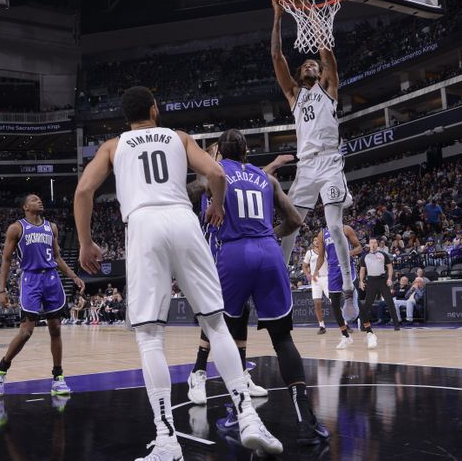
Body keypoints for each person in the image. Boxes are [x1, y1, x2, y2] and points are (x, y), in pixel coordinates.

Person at [74, 87, 282, 460]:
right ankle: (248, 417)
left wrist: (86, 242)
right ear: (155, 110)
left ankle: (167, 439)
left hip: (143, 225)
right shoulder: (178, 137)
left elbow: (84, 191)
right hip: (183, 220)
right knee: (217, 324)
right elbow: (217, 172)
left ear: (125, 117)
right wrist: (216, 207)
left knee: (151, 337)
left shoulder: (112, 146)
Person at [205, 129, 329, 445]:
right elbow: (296, 221)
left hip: (233, 254)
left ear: (222, 153)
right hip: (268, 251)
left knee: (228, 337)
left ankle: (239, 415)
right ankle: (307, 421)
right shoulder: (266, 178)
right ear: (247, 150)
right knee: (282, 338)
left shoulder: (216, 174)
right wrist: (269, 233)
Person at [271, 0, 355, 300]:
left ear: (320, 73)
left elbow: (326, 51)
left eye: (314, 65)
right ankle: (278, 280)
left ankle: (347, 285)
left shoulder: (329, 87)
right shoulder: (294, 95)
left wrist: (311, 15)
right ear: (299, 72)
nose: (310, 65)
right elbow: (276, 55)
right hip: (306, 166)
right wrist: (279, 15)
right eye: (305, 64)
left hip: (331, 162)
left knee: (334, 227)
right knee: (291, 225)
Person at [0, 194, 85, 397]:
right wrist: (2, 289)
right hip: (31, 280)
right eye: (34, 199)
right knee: (26, 332)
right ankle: (0, 370)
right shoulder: (16, 228)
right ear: (25, 206)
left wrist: (74, 276)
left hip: (51, 279)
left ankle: (58, 378)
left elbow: (57, 257)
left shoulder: (52, 227)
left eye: (40, 199)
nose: (39, 201)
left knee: (56, 329)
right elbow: (6, 260)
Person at [314, 224, 363, 349]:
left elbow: (359, 248)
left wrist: (349, 253)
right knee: (334, 304)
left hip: (347, 268)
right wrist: (315, 271)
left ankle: (370, 333)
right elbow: (321, 256)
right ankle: (345, 336)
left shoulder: (346, 229)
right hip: (333, 271)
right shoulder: (322, 233)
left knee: (355, 299)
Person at [358, 237, 397, 349]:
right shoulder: (365, 256)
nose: (373, 244)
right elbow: (362, 270)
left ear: (377, 244)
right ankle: (363, 326)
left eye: (375, 242)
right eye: (372, 242)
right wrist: (361, 281)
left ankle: (396, 326)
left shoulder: (383, 255)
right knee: (367, 305)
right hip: (371, 281)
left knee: (390, 302)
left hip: (382, 280)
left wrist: (389, 278)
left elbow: (390, 267)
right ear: (369, 244)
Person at [303, 235, 329, 334]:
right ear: (313, 242)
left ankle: (344, 323)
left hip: (326, 277)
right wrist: (307, 275)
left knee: (334, 301)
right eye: (314, 240)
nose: (317, 241)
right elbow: (304, 265)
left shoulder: (326, 251)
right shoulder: (309, 253)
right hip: (315, 280)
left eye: (318, 239)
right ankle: (322, 326)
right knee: (317, 303)